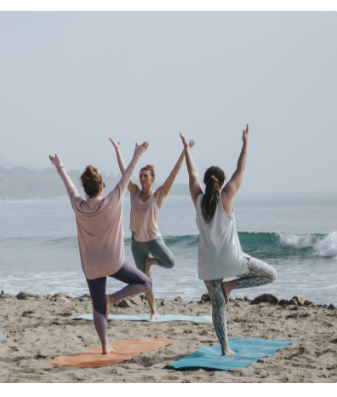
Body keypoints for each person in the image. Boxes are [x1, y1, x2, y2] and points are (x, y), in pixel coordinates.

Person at [180, 125, 277, 355]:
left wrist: (187, 150)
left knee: (218, 306)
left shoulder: (198, 200)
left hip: (208, 265)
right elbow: (240, 169)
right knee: (270, 274)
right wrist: (245, 143)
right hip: (232, 260)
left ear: (205, 183)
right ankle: (231, 285)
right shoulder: (227, 197)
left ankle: (225, 348)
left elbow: (191, 175)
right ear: (222, 183)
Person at [49, 141, 153, 355]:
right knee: (146, 283)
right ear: (101, 187)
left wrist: (59, 165)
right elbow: (128, 175)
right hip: (114, 262)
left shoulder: (78, 205)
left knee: (97, 307)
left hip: (92, 266)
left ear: (86, 189)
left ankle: (105, 347)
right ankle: (113, 299)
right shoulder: (112, 200)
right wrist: (138, 153)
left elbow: (69, 186)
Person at [109, 138, 195, 320]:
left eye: (145, 176)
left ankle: (151, 262)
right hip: (137, 243)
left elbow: (174, 173)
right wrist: (118, 150)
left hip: (154, 240)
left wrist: (184, 152)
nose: (141, 179)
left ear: (152, 178)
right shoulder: (133, 191)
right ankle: (154, 311)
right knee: (145, 282)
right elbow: (125, 172)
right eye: (140, 176)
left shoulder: (158, 195)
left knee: (170, 261)